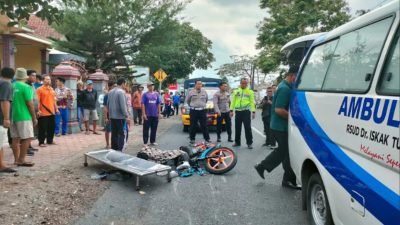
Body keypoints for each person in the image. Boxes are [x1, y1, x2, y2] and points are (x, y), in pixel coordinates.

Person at [254, 67, 300, 190]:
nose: (298, 79)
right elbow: (279, 109)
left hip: (279, 126)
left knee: (287, 153)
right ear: (292, 75)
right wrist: (294, 118)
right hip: (280, 126)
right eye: (297, 76)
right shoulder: (285, 89)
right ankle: (262, 166)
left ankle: (288, 180)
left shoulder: (283, 86)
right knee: (284, 151)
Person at [10, 68, 37, 167]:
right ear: (25, 77)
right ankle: (21, 160)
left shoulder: (11, 86)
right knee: (27, 137)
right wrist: (34, 118)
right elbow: (30, 104)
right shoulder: (26, 87)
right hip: (24, 116)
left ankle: (16, 160)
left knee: (15, 138)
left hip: (12, 116)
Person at [230, 78, 256, 149]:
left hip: (246, 112)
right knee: (237, 128)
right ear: (240, 83)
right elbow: (233, 101)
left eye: (245, 83)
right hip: (238, 112)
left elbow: (252, 102)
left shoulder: (250, 92)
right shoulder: (236, 91)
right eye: (242, 83)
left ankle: (249, 143)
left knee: (247, 127)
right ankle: (237, 142)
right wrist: (231, 110)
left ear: (247, 84)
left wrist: (253, 112)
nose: (244, 84)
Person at [0, 67, 17, 173]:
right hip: (0, 118)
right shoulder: (6, 84)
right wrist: (6, 118)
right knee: (0, 142)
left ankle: (1, 163)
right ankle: (1, 165)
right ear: (12, 75)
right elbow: (5, 101)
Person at [36, 75, 58, 147]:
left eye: (49, 79)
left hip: (52, 112)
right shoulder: (39, 89)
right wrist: (38, 110)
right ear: (43, 80)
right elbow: (37, 101)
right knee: (42, 128)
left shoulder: (52, 89)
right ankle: (41, 142)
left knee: (52, 127)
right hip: (43, 113)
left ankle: (50, 140)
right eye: (47, 79)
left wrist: (56, 109)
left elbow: (54, 100)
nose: (48, 80)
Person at [186, 80, 210, 144]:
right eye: (198, 84)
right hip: (194, 111)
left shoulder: (204, 92)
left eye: (200, 84)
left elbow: (206, 100)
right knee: (193, 125)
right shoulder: (191, 92)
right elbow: (188, 101)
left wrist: (201, 105)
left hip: (202, 110)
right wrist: (193, 106)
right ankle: (192, 139)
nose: (199, 85)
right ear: (195, 85)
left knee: (204, 125)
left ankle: (207, 138)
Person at [107, 78, 129, 151]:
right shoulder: (121, 92)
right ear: (123, 83)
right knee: (121, 133)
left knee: (114, 134)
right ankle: (120, 150)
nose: (125, 85)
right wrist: (126, 115)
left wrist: (109, 116)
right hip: (120, 117)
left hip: (112, 116)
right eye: (125, 84)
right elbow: (123, 106)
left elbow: (108, 105)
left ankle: (114, 149)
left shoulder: (110, 92)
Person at [142, 82, 161, 146]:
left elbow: (158, 104)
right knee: (146, 129)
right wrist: (144, 114)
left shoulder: (156, 94)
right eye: (150, 86)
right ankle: (145, 142)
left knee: (154, 128)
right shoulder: (145, 94)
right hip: (147, 115)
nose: (152, 87)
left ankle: (152, 141)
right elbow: (143, 104)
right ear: (147, 87)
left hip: (155, 114)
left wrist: (159, 113)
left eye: (152, 86)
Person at [26, 70, 39, 154]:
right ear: (27, 76)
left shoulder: (32, 85)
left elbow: (35, 99)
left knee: (31, 130)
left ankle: (29, 145)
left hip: (34, 110)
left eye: (35, 76)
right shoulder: (26, 86)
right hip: (27, 111)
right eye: (32, 75)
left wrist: (37, 110)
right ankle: (25, 148)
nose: (34, 77)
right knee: (27, 131)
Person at [103, 81, 116, 149]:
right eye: (114, 86)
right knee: (108, 130)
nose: (115, 87)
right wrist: (106, 117)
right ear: (110, 87)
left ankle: (114, 143)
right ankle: (107, 144)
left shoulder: (116, 94)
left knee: (115, 130)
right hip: (109, 115)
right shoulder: (107, 95)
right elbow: (105, 107)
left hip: (116, 115)